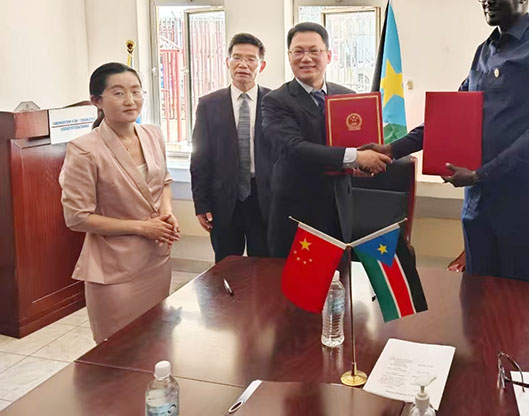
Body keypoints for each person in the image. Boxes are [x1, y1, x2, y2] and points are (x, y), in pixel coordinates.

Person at [366, 0, 529, 283]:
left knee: (518, 296)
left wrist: (480, 174)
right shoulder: (485, 51)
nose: (489, 0)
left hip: (528, 199)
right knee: (477, 290)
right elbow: (450, 118)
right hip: (480, 198)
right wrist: (392, 150)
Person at [60, 63, 180, 343]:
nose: (130, 100)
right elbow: (77, 217)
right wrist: (142, 227)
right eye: (118, 93)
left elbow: (163, 181)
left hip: (156, 258)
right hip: (114, 267)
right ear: (97, 101)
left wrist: (167, 212)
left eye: (136, 91)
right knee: (117, 348)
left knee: (157, 341)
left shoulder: (153, 134)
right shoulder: (84, 149)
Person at [262, 22, 391, 257]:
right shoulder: (276, 100)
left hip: (340, 210)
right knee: (296, 279)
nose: (306, 58)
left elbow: (355, 145)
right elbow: (294, 148)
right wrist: (356, 157)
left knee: (340, 275)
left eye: (314, 51)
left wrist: (360, 166)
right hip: (297, 214)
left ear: (329, 56)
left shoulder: (347, 97)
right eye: (298, 51)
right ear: (289, 56)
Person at [190, 33, 272, 263]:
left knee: (264, 264)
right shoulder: (208, 104)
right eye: (236, 58)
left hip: (264, 198)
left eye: (250, 59)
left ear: (261, 65)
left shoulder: (275, 102)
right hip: (223, 199)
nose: (242, 64)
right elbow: (200, 158)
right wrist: (201, 204)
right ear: (228, 62)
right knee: (226, 264)